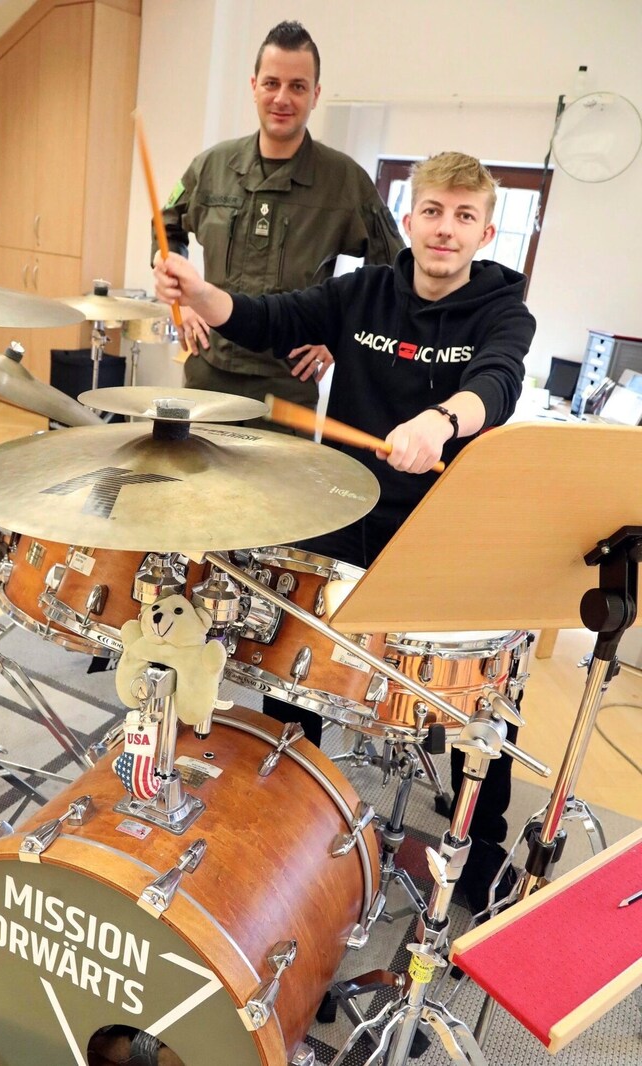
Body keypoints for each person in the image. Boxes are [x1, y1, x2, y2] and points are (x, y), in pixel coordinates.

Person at [154, 151, 537, 913]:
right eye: (433, 211)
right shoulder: (366, 291)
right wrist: (205, 293)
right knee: (295, 657)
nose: (445, 229)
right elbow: (273, 317)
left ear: (486, 230)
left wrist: (442, 419)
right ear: (409, 215)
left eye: (464, 217)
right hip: (348, 507)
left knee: (478, 689)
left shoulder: (503, 310)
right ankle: (284, 792)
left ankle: (484, 837)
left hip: (440, 521)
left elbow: (498, 379)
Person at [155, 19, 403, 418]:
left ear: (315, 94)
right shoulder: (211, 167)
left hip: (287, 385)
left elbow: (392, 271)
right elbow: (165, 229)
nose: (282, 98)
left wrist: (337, 338)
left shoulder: (343, 181)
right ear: (254, 86)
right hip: (208, 372)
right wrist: (181, 303)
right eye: (272, 83)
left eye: (297, 86)